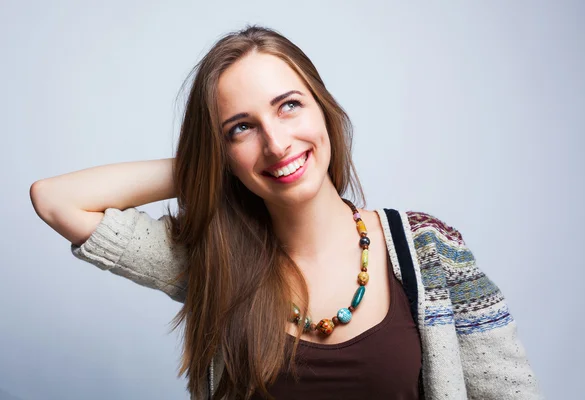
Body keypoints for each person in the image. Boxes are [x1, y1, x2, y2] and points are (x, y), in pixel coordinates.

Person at [30, 25, 542, 400]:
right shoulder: (213, 260)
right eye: (240, 128)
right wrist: (209, 164)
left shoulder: (431, 251)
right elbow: (56, 200)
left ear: (324, 109)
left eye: (289, 105)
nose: (276, 143)